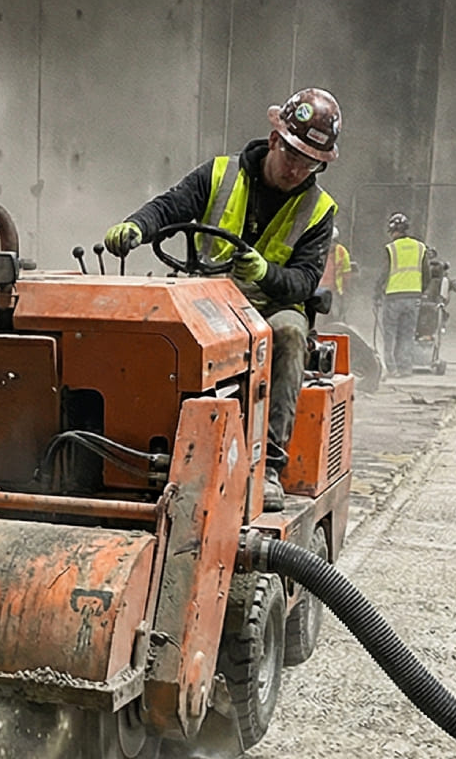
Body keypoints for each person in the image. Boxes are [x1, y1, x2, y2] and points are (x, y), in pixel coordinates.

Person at [102, 87, 342, 510]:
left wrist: (266, 274)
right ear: (274, 140)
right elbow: (172, 206)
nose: (297, 170)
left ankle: (268, 463)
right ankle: (146, 446)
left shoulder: (319, 209)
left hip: (270, 305)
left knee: (288, 333)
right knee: (157, 328)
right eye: (293, 157)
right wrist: (137, 227)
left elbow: (304, 281)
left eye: (310, 164)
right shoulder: (219, 175)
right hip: (210, 296)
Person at [376, 212, 429, 377]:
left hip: (393, 297)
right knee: (407, 334)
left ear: (392, 230)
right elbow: (427, 274)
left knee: (390, 334)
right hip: (413, 297)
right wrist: (420, 290)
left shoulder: (391, 249)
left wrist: (377, 292)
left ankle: (392, 369)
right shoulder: (420, 247)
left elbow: (384, 273)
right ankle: (405, 368)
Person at [319, 227, 355, 317]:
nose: (331, 245)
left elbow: (346, 272)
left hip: (334, 291)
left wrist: (346, 288)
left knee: (333, 314)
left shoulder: (340, 251)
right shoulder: (319, 250)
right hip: (320, 290)